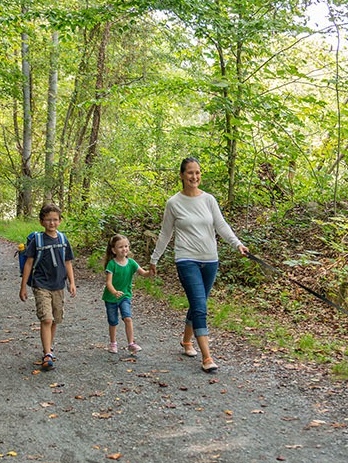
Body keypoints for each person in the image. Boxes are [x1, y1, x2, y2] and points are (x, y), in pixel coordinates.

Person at [149, 157, 248, 373]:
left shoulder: (209, 200)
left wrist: (237, 244)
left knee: (198, 303)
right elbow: (166, 233)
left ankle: (186, 342)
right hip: (186, 259)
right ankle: (207, 357)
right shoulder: (173, 203)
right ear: (182, 176)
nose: (195, 177)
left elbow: (221, 224)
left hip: (210, 259)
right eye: (190, 173)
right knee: (200, 307)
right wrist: (154, 258)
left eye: (198, 172)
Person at [19, 204, 76, 371]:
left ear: (60, 221)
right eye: (48, 220)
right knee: (47, 318)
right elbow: (28, 264)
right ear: (42, 222)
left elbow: (68, 262)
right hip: (41, 284)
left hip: (58, 285)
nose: (52, 223)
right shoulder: (37, 241)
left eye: (55, 220)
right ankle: (47, 353)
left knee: (55, 319)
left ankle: (49, 347)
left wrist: (72, 283)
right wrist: (23, 287)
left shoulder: (63, 240)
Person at [102, 234, 152, 354]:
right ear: (114, 250)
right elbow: (108, 283)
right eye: (120, 247)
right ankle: (113, 343)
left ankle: (131, 343)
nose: (124, 249)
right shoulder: (112, 264)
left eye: (126, 246)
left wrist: (150, 272)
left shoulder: (132, 263)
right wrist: (114, 292)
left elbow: (143, 273)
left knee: (127, 318)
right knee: (113, 321)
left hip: (125, 296)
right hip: (111, 297)